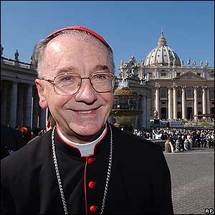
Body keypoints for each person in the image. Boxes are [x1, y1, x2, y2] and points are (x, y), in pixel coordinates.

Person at [1, 26, 173, 214]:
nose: (87, 95)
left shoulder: (150, 160)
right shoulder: (10, 174)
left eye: (100, 77)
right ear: (42, 92)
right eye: (67, 78)